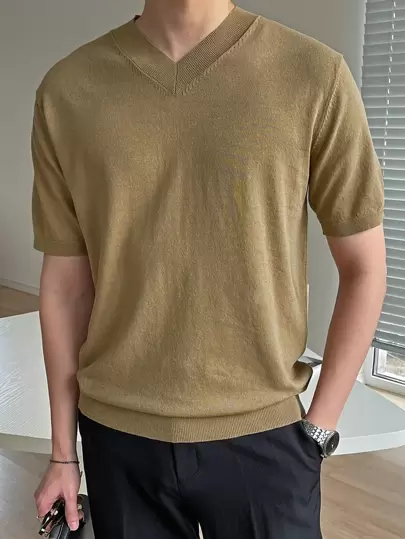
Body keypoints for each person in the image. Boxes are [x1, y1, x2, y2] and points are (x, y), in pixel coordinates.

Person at [32, 1, 386, 538]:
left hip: (266, 437)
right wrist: (63, 453)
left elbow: (364, 268)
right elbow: (65, 287)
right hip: (118, 437)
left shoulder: (314, 75)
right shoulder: (67, 91)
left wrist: (319, 429)